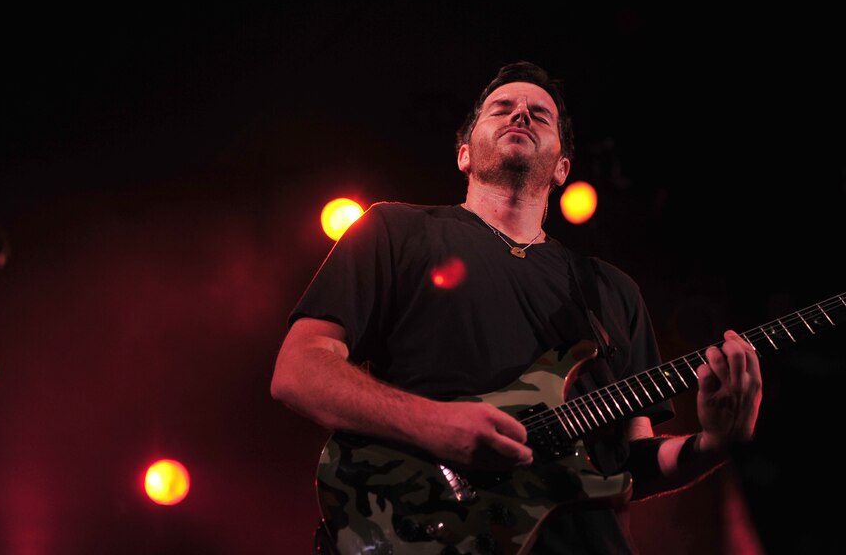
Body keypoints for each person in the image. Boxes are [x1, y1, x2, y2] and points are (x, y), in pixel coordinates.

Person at [270, 61, 762, 554]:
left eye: (539, 115)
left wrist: (714, 445)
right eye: (500, 108)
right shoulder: (393, 232)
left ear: (562, 168)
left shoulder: (611, 291)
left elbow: (629, 463)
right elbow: (298, 370)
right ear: (464, 153)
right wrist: (434, 425)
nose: (520, 114)